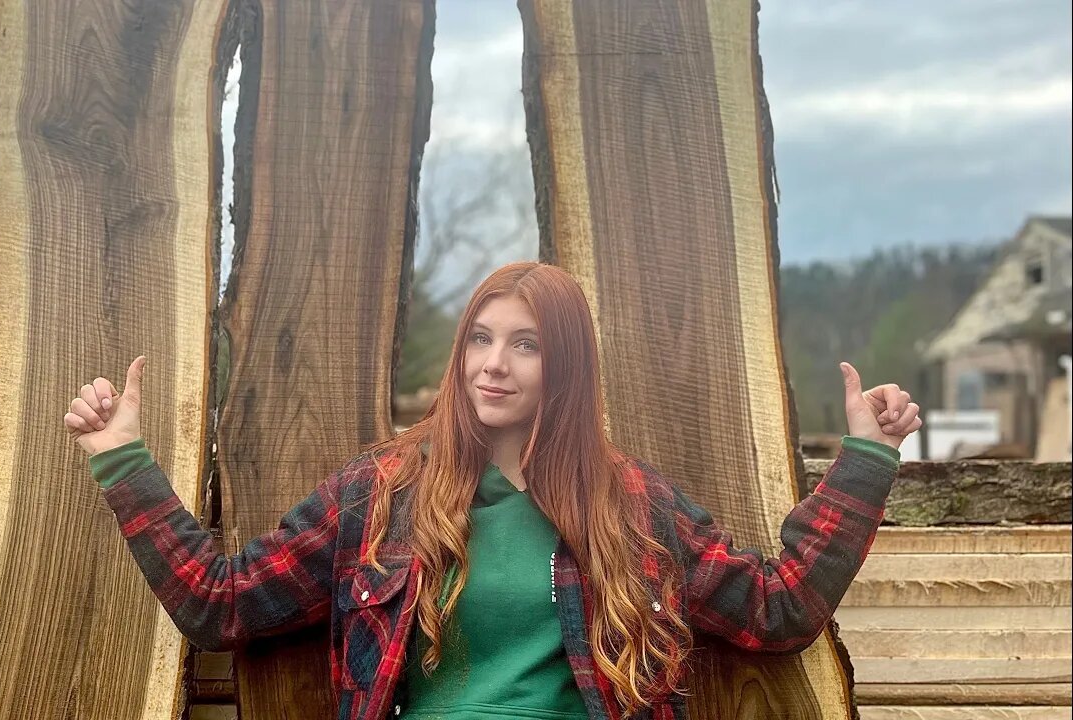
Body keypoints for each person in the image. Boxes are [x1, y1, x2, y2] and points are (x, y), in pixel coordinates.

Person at [64, 262, 920, 720]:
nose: (492, 364)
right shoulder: (382, 497)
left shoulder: (632, 508)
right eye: (479, 338)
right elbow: (224, 606)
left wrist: (867, 456)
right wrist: (121, 459)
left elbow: (778, 611)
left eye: (525, 344)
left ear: (567, 366)